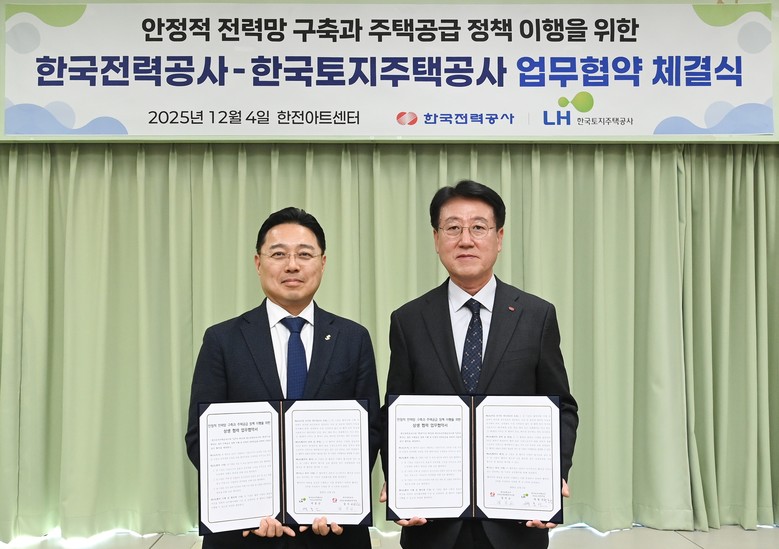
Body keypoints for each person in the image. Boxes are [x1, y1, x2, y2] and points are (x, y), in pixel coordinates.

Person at [380, 180, 578, 549]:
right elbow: (396, 411)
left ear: (499, 238)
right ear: (436, 238)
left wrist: (554, 475)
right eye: (453, 228)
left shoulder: (536, 316)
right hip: (433, 525)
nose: (465, 240)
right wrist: (400, 480)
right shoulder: (408, 320)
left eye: (478, 227)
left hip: (515, 522)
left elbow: (561, 407)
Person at [186, 207, 381, 549]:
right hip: (245, 534)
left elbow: (370, 432)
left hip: (331, 532)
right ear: (258, 263)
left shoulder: (353, 338)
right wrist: (247, 507)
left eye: (304, 254)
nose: (292, 265)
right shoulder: (222, 340)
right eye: (278, 254)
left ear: (322, 263)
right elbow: (200, 438)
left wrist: (336, 500)